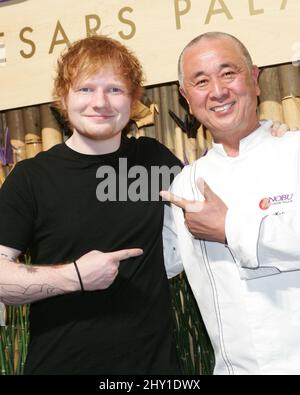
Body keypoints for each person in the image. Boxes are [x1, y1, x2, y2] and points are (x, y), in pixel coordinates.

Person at [0, 35, 183, 374]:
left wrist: (262, 138)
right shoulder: (32, 178)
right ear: (63, 97)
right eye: (85, 89)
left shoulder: (153, 159)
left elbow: (218, 195)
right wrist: (74, 277)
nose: (100, 102)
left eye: (114, 89)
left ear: (133, 99)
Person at [161, 31, 300, 375]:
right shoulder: (185, 184)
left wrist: (229, 227)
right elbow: (155, 262)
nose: (218, 91)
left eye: (229, 73)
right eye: (201, 81)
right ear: (186, 98)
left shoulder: (294, 151)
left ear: (254, 79)